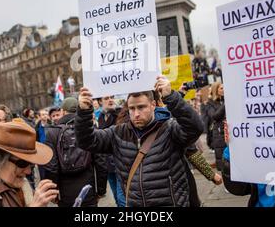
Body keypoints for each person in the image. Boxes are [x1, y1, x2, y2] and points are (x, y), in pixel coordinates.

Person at [75, 75, 203, 207]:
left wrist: (171, 97)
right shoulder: (118, 133)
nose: (136, 114)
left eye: (141, 107)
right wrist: (84, 112)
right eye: (132, 108)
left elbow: (195, 128)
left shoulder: (169, 129)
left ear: (153, 105)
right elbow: (86, 141)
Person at [42, 97, 108, 207]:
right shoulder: (90, 128)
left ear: (62, 111)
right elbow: (101, 163)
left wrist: (53, 193)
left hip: (66, 195)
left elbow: (51, 167)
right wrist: (101, 191)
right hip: (88, 191)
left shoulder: (52, 133)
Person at [96, 95, 125, 207]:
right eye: (106, 98)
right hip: (107, 164)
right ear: (100, 102)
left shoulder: (120, 113)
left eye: (112, 97)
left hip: (120, 162)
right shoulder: (101, 116)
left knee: (122, 199)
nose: (110, 100)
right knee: (117, 198)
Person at [206, 82, 226, 171]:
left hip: (228, 130)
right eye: (221, 88)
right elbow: (214, 116)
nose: (224, 90)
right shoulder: (210, 103)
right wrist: (225, 105)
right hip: (219, 133)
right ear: (216, 90)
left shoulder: (226, 99)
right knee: (223, 161)